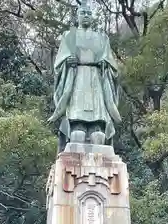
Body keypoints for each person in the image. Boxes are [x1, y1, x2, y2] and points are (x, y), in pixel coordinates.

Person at [48, 0, 121, 149]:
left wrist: (104, 64)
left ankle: (97, 126)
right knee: (77, 136)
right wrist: (67, 61)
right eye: (83, 13)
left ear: (92, 17)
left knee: (98, 137)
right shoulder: (69, 36)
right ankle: (76, 125)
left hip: (96, 82)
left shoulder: (102, 38)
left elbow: (111, 63)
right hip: (77, 80)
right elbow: (59, 64)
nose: (86, 15)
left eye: (89, 13)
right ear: (77, 16)